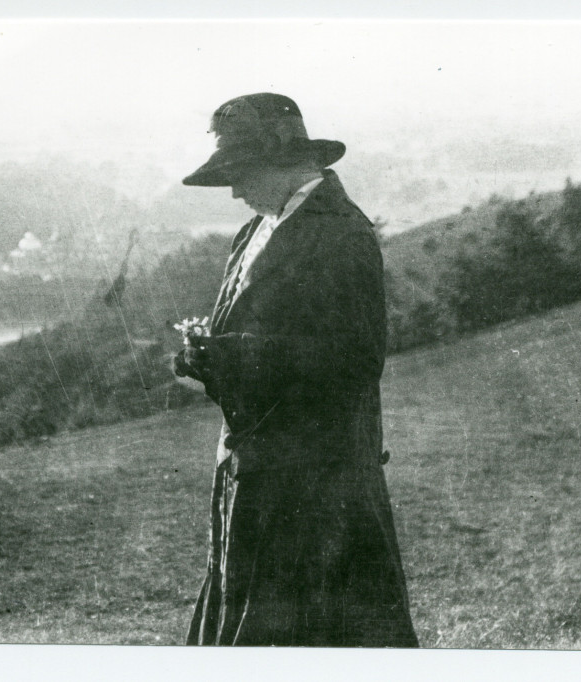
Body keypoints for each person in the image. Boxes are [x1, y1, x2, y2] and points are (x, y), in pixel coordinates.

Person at [174, 93, 420, 647]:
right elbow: (257, 341)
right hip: (262, 469)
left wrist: (235, 355)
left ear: (284, 162)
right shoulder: (256, 230)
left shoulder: (341, 234)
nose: (234, 190)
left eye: (239, 174)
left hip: (317, 476)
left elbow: (354, 360)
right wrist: (206, 360)